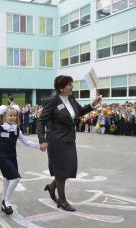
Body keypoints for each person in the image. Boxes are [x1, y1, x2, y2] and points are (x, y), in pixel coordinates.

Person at [37, 75, 102, 212]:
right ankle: (62, 200)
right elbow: (41, 121)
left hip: (69, 139)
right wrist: (42, 140)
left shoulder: (71, 99)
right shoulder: (53, 101)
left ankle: (52, 186)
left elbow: (79, 112)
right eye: (69, 85)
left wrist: (93, 104)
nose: (72, 87)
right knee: (61, 171)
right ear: (61, 88)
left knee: (70, 168)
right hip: (56, 141)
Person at [0, 105, 41, 215]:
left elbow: (26, 141)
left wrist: (38, 146)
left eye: (14, 115)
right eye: (10, 115)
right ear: (4, 116)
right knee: (16, 178)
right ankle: (7, 201)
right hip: (3, 157)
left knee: (7, 180)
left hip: (13, 157)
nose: (12, 117)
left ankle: (4, 202)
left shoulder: (16, 129)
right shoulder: (0, 129)